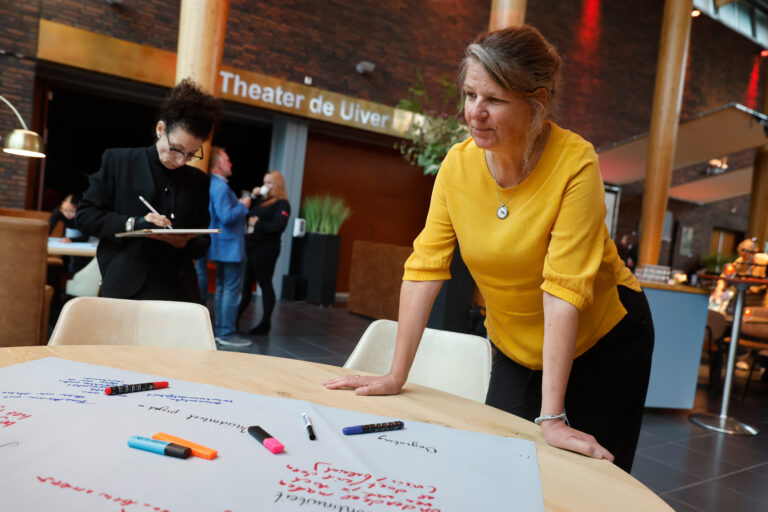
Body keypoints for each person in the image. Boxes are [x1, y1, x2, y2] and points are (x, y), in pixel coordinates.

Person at [324, 26, 654, 473]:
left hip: (602, 341)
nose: (474, 113)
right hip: (515, 344)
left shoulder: (576, 163)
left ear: (536, 102)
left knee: (588, 478)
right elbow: (424, 268)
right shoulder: (458, 166)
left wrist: (552, 416)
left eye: (494, 100)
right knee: (498, 465)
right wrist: (395, 374)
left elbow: (562, 290)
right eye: (469, 95)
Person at [77, 78, 218, 302]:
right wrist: (135, 223)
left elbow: (202, 242)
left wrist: (185, 242)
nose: (182, 161)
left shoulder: (198, 181)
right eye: (177, 149)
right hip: (125, 287)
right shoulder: (119, 161)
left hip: (178, 291)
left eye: (191, 154)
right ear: (160, 129)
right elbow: (85, 217)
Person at [205, 146, 253, 347]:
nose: (230, 163)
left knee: (224, 289)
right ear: (218, 164)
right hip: (230, 247)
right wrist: (243, 206)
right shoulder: (221, 186)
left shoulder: (213, 184)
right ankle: (226, 332)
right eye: (227, 159)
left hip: (221, 246)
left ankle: (221, 330)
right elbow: (226, 216)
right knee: (231, 290)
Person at [238, 170, 291, 335]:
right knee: (246, 285)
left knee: (264, 283)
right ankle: (232, 322)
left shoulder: (282, 204)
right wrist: (254, 196)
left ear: (276, 185)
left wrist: (258, 224)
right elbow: (248, 211)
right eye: (264, 182)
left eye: (269, 183)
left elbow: (279, 227)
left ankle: (265, 323)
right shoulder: (262, 201)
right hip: (252, 246)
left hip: (266, 248)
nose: (265, 186)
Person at [48, 194, 90, 275]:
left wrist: (71, 240)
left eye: (71, 211)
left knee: (78, 260)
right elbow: (48, 229)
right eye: (64, 210)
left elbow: (85, 237)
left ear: (78, 208)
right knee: (68, 260)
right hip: (70, 233)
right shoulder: (59, 211)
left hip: (88, 237)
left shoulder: (84, 214)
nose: (67, 214)